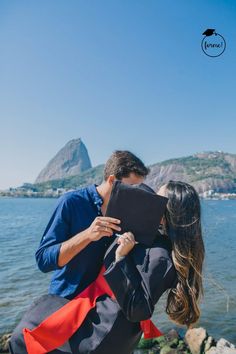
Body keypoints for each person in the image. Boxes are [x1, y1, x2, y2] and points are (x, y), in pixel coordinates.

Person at [9, 180, 205, 354]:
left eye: (156, 199)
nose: (150, 201)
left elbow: (139, 309)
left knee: (24, 337)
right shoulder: (155, 240)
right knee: (36, 320)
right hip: (114, 327)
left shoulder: (161, 257)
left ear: (166, 213)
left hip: (104, 329)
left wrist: (121, 257)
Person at [35, 150, 149, 300]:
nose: (135, 195)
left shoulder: (128, 210)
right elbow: (43, 261)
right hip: (68, 300)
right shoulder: (70, 202)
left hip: (107, 306)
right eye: (131, 187)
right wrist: (87, 235)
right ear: (112, 180)